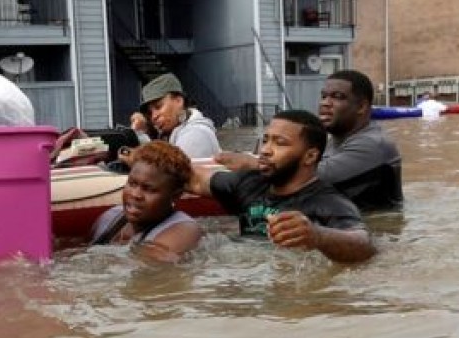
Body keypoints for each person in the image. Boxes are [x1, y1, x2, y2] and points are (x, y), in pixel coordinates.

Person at [188, 110, 376, 264]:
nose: (265, 150)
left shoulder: (329, 203)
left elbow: (365, 245)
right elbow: (193, 179)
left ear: (310, 156)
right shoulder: (248, 183)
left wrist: (317, 236)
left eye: (280, 143)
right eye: (265, 140)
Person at [215, 70, 402, 211]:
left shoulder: (374, 144)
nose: (325, 103)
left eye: (337, 97)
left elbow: (310, 176)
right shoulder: (330, 141)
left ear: (361, 106)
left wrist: (252, 163)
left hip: (369, 232)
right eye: (323, 96)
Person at [91, 141, 203, 262]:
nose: (135, 194)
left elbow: (149, 270)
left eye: (149, 189)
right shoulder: (109, 218)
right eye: (132, 184)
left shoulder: (185, 231)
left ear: (175, 195)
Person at [136, 73, 221, 159]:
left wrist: (135, 156)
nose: (154, 116)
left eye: (158, 107)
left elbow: (173, 170)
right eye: (150, 113)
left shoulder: (194, 134)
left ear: (179, 101)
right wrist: (144, 132)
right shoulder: (173, 131)